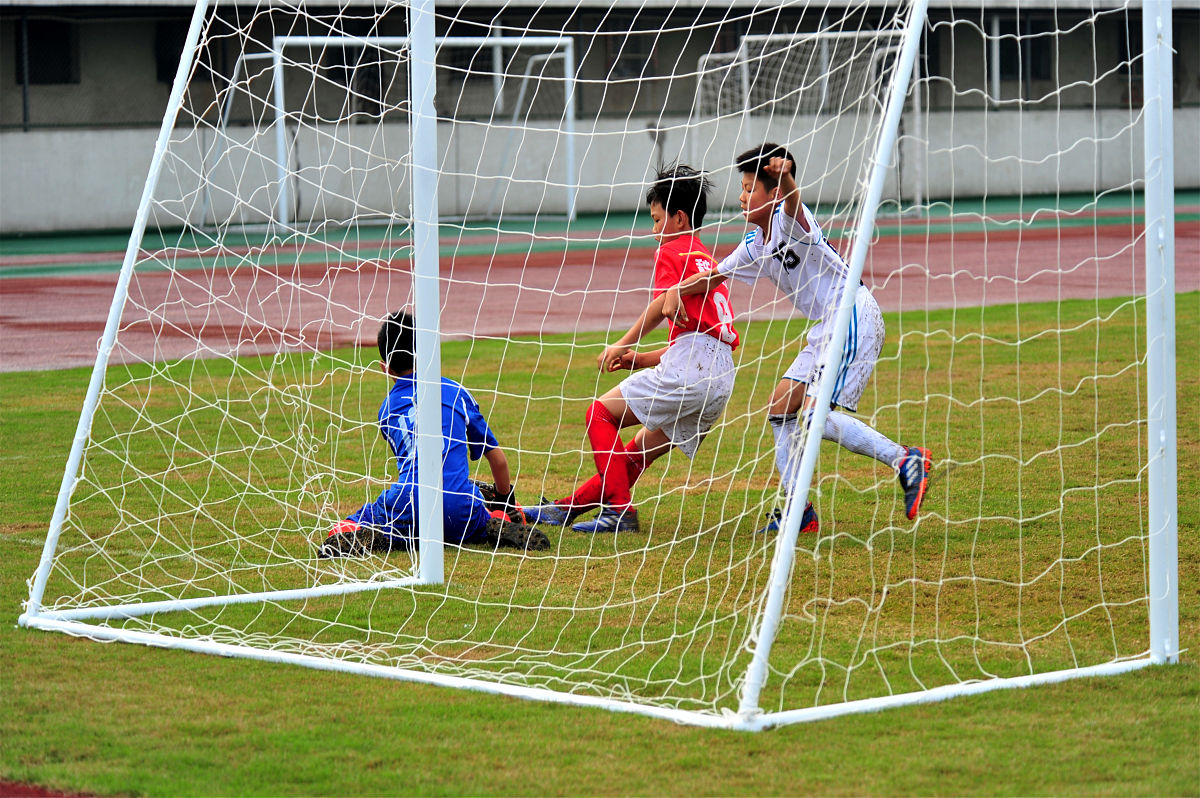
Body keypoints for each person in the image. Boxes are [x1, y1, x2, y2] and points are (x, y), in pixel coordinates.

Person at [662, 143, 931, 534]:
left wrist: (786, 175)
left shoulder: (790, 219)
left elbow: (791, 198)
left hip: (852, 315)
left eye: (750, 187)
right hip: (827, 327)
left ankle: (905, 460)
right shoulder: (756, 244)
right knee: (780, 407)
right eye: (741, 187)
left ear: (771, 195)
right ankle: (798, 510)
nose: (741, 196)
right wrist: (676, 292)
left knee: (811, 415)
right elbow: (714, 275)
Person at [525, 165, 740, 534]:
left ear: (678, 218)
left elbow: (661, 307)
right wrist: (639, 360)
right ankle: (565, 509)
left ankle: (620, 512)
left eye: (657, 220)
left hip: (693, 368)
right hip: (719, 378)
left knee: (599, 415)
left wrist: (623, 343)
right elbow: (700, 338)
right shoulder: (707, 259)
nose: (654, 230)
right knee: (635, 453)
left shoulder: (673, 249)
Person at [320, 310, 548, 557]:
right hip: (458, 508)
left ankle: (374, 533)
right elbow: (498, 459)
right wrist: (506, 499)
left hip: (409, 503)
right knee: (480, 509)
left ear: (385, 368)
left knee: (366, 516)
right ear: (427, 353)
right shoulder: (455, 391)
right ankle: (496, 521)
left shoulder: (386, 410)